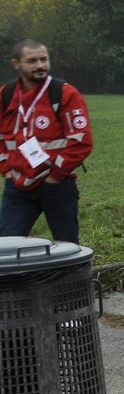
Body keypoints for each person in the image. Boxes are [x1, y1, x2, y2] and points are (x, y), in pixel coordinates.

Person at [0, 39, 92, 243]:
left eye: (44, 59)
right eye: (32, 61)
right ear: (16, 64)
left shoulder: (64, 93)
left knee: (66, 246)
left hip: (56, 184)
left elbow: (82, 141)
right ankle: (17, 277)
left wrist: (56, 176)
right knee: (5, 245)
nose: (40, 65)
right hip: (18, 186)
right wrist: (5, 167)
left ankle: (72, 276)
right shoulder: (6, 94)